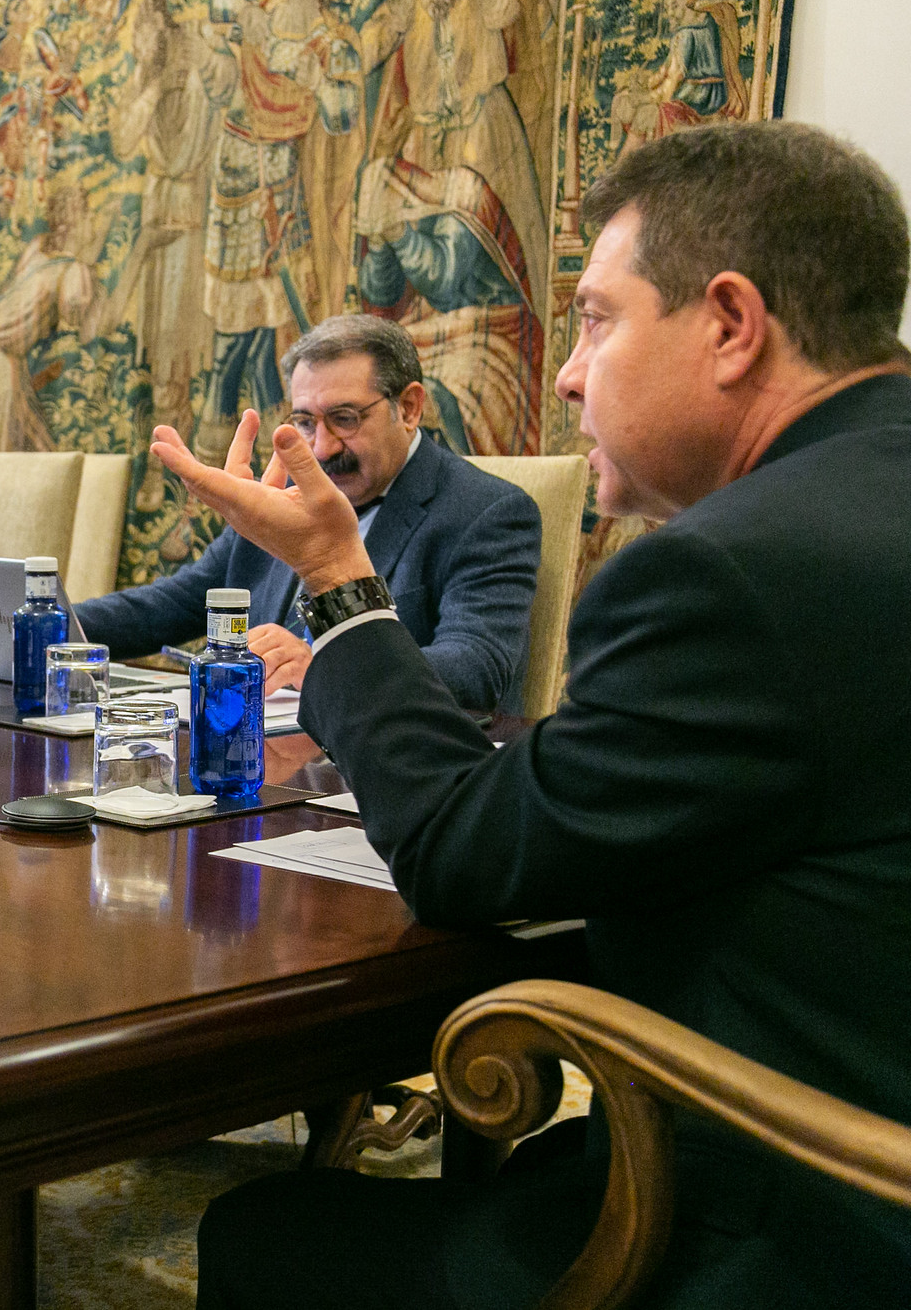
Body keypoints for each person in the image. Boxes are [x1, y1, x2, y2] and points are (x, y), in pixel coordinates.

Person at [166, 122, 911, 1309]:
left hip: (801, 1220)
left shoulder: (728, 575)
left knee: (270, 1233)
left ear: (729, 325)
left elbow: (468, 857)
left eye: (594, 319)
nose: (565, 373)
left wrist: (339, 588)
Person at [0, 314, 543, 712]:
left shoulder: (484, 513)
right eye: (306, 421)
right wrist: (43, 627)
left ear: (409, 407)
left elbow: (478, 665)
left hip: (390, 779)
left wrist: (339, 658)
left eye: (344, 419)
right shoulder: (281, 502)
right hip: (265, 757)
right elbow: (177, 602)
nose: (321, 447)